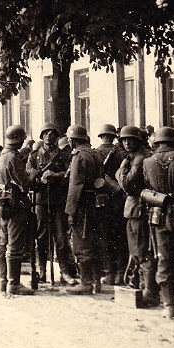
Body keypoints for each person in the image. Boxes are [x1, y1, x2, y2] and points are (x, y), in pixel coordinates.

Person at [142, 127, 174, 319]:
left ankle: (169, 306)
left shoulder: (148, 162)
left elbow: (146, 186)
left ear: (157, 143)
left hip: (159, 214)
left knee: (164, 258)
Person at [27, 123, 78, 285]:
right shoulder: (34, 156)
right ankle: (42, 271)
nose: (49, 136)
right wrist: (38, 177)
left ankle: (64, 272)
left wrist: (55, 175)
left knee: (61, 237)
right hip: (41, 200)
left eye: (52, 133)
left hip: (58, 200)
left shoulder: (64, 155)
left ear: (57, 137)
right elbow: (28, 175)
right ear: (41, 137)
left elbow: (69, 174)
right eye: (46, 133)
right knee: (42, 237)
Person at [116, 125, 158, 305]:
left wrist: (122, 169)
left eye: (130, 139)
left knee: (141, 249)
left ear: (138, 140)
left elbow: (126, 184)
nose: (126, 143)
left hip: (138, 207)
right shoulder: (138, 156)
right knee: (139, 249)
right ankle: (143, 285)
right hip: (137, 207)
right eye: (124, 140)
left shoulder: (138, 159)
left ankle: (148, 290)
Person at [0, 125, 34, 295]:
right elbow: (24, 181)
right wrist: (33, 172)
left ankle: (4, 281)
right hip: (16, 202)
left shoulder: (1, 155)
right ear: (18, 138)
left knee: (3, 243)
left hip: (3, 202)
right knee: (15, 244)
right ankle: (14, 284)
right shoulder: (13, 157)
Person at [64, 125, 102, 295]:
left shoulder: (79, 157)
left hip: (82, 205)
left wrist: (70, 211)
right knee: (94, 242)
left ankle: (86, 283)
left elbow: (75, 186)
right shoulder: (94, 153)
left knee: (81, 242)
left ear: (72, 140)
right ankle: (96, 281)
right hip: (95, 204)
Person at [94, 123, 127, 286]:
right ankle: (121, 273)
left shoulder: (96, 153)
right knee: (120, 237)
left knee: (105, 237)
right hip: (120, 199)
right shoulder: (122, 152)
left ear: (101, 136)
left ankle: (110, 273)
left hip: (102, 200)